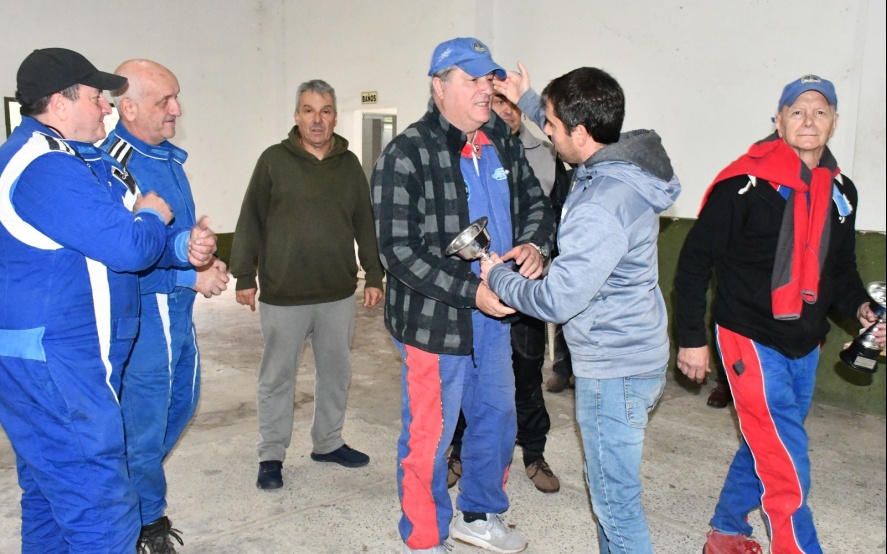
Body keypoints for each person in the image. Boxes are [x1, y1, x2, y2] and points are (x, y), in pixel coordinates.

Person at [0, 47, 215, 553]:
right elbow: (128, 243)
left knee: (51, 499)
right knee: (103, 512)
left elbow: (120, 234)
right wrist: (152, 215)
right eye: (96, 98)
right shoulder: (44, 167)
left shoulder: (75, 159)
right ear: (59, 104)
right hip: (57, 365)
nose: (106, 108)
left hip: (59, 361)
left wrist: (179, 246)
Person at [674, 75, 886, 554]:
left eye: (820, 111)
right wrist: (691, 338)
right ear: (779, 120)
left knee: (768, 441)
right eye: (797, 111)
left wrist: (864, 310)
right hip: (747, 334)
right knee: (787, 460)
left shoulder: (842, 191)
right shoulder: (743, 184)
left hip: (805, 341)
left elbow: (841, 272)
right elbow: (693, 264)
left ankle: (726, 532)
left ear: (834, 122)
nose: (809, 120)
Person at [486, 64, 680, 553]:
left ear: (580, 132)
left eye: (551, 125)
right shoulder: (619, 164)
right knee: (611, 495)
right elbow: (569, 131)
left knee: (616, 505)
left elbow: (557, 300)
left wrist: (497, 276)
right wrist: (529, 99)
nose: (546, 133)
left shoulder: (601, 204)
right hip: (634, 351)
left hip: (613, 368)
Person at [371, 37, 554, 554]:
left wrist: (535, 246)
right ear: (439, 86)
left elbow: (536, 205)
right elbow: (398, 252)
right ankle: (425, 537)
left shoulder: (501, 142)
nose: (485, 89)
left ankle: (479, 514)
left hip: (495, 318)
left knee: (496, 417)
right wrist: (471, 291)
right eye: (471, 79)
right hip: (434, 322)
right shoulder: (406, 154)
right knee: (430, 434)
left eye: (488, 79)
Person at [230, 79, 384, 491]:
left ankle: (328, 442)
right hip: (283, 294)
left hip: (337, 293)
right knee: (277, 378)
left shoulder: (349, 166)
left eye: (325, 111)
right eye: (309, 110)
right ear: (297, 116)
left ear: (335, 117)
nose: (317, 119)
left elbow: (364, 222)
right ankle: (271, 454)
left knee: (335, 373)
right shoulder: (273, 161)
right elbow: (250, 219)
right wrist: (243, 274)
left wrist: (374, 273)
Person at [101, 59, 229, 553]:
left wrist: (203, 255)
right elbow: (122, 259)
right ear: (129, 108)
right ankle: (145, 522)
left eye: (177, 97)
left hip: (177, 312)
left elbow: (176, 240)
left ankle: (130, 497)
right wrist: (190, 276)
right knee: (145, 424)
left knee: (182, 404)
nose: (177, 109)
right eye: (164, 101)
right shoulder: (116, 165)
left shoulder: (168, 159)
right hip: (145, 317)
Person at [447, 92, 563, 494]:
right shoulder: (457, 153)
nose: (499, 114)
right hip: (474, 291)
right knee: (468, 378)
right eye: (493, 106)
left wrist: (537, 248)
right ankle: (459, 453)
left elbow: (546, 207)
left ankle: (534, 453)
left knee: (527, 376)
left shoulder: (539, 154)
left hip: (523, 286)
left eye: (508, 107)